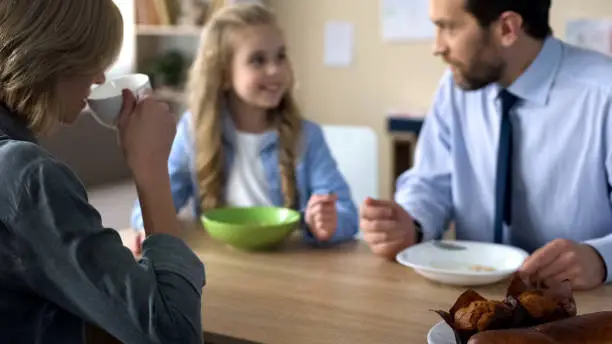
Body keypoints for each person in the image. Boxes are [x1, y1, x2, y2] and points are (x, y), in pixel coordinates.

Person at [360, 0, 612, 291]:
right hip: (472, 301)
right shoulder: (456, 86)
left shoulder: (604, 95)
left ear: (507, 28)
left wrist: (601, 258)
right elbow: (430, 182)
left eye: (448, 27)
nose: (437, 47)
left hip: (583, 308)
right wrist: (412, 223)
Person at [0, 1, 205, 343]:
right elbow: (174, 332)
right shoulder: (26, 178)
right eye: (93, 58)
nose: (99, 78)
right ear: (52, 53)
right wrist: (152, 169)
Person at [129, 3, 359, 252]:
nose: (275, 70)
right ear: (224, 74)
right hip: (218, 269)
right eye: (257, 60)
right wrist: (146, 225)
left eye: (280, 56)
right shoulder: (193, 132)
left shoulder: (307, 136)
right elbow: (157, 199)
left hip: (288, 269)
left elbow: (346, 213)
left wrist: (328, 222)